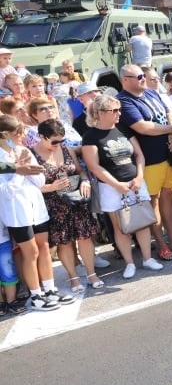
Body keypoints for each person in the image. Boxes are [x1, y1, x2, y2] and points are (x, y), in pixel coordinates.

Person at [82, 93, 165, 279]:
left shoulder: (124, 130)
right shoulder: (91, 136)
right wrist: (116, 185)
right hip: (110, 188)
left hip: (135, 183)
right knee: (120, 227)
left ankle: (147, 259)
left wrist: (139, 177)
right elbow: (94, 166)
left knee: (142, 223)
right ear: (100, 113)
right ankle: (129, 263)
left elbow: (139, 155)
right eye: (114, 110)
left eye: (119, 109)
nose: (119, 113)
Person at [117, 64, 172, 259]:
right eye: (138, 77)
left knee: (168, 196)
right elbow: (142, 127)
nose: (143, 79)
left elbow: (169, 112)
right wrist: (170, 130)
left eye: (143, 76)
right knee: (153, 202)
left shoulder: (151, 94)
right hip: (150, 160)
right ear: (125, 80)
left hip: (169, 155)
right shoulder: (123, 101)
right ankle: (161, 244)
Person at [0, 115, 73, 310]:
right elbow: (6, 193)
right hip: (16, 213)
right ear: (5, 134)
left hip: (37, 208)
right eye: (19, 133)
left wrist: (32, 169)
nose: (23, 136)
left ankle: (50, 289)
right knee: (30, 252)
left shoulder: (24, 150)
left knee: (44, 247)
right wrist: (19, 171)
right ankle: (35, 294)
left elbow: (40, 182)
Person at [32, 119, 103, 293]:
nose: (58, 145)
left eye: (61, 140)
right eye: (54, 141)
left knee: (85, 237)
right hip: (54, 205)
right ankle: (73, 277)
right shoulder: (31, 155)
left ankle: (91, 273)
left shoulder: (66, 149)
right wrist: (51, 187)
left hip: (76, 199)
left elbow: (80, 170)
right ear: (41, 136)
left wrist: (85, 180)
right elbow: (29, 187)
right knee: (64, 242)